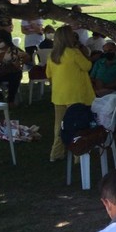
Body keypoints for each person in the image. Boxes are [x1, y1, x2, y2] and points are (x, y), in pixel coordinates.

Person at [46, 25, 95, 162]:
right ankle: (78, 155)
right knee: (76, 126)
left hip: (59, 95)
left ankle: (56, 153)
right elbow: (87, 66)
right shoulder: (74, 53)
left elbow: (48, 74)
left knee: (59, 126)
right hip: (75, 95)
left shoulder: (52, 55)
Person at [0, 30, 29, 107]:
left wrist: (20, 63)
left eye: (0, 41)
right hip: (1, 73)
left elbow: (26, 57)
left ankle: (11, 101)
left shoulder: (15, 50)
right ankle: (1, 98)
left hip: (14, 72)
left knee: (14, 80)